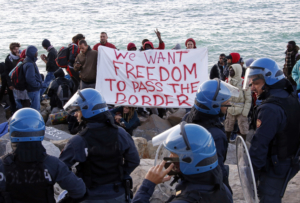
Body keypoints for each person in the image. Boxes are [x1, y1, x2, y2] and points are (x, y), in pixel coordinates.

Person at [60, 88, 140, 202]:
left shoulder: (79, 140)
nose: (76, 114)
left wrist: (78, 185)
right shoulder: (120, 133)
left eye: (78, 110)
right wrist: (120, 174)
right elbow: (134, 160)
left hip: (90, 196)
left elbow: (61, 168)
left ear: (87, 110)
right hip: (118, 194)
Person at [243, 58, 300, 202]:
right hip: (291, 157)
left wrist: (251, 175)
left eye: (256, 83)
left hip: (277, 165)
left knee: (268, 197)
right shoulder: (288, 93)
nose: (252, 88)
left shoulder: (270, 108)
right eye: (251, 83)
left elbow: (259, 145)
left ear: (269, 80)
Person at [0, 108, 86, 203]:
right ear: (41, 131)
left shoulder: (2, 166)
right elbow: (79, 191)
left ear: (12, 132)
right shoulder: (53, 164)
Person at [132, 122, 233, 203]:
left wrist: (147, 185)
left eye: (173, 154)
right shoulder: (221, 187)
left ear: (189, 162)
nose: (169, 158)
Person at [183, 78, 239, 193]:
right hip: (207, 185)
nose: (228, 105)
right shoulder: (216, 135)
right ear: (213, 106)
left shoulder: (189, 117)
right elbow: (217, 168)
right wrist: (226, 191)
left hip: (189, 177)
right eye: (226, 103)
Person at [224, 64, 251, 142]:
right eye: (230, 70)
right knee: (228, 126)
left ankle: (244, 144)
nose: (230, 71)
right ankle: (227, 142)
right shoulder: (228, 82)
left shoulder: (244, 83)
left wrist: (245, 112)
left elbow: (248, 99)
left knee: (243, 128)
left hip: (241, 110)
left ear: (237, 71)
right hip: (230, 109)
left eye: (232, 70)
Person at [23, 45, 43, 111]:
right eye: (36, 52)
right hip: (33, 90)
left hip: (31, 89)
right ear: (32, 53)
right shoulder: (30, 64)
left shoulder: (26, 61)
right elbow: (30, 79)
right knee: (36, 108)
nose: (37, 54)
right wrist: (38, 85)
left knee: (33, 106)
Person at [3, 42, 21, 114]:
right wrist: (9, 84)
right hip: (13, 79)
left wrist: (20, 57)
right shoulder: (8, 59)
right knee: (13, 97)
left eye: (17, 49)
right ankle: (14, 110)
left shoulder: (22, 56)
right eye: (14, 49)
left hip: (21, 80)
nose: (17, 51)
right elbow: (6, 72)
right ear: (11, 50)